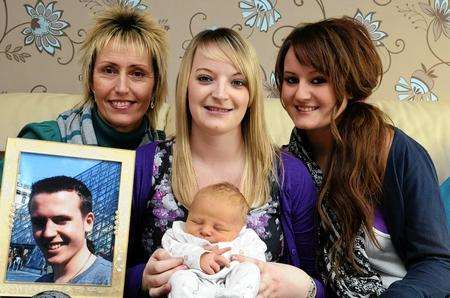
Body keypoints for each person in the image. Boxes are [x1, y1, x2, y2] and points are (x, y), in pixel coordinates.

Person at [126, 27, 322, 298]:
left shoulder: (290, 175)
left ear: (251, 94)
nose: (220, 93)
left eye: (237, 82)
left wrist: (307, 288)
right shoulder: (145, 164)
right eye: (205, 78)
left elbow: (319, 281)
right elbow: (100, 270)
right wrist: (141, 278)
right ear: (186, 86)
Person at [275, 17, 450, 297]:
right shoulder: (285, 166)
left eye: (318, 80)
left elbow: (437, 264)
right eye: (291, 80)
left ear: (348, 84)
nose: (300, 93)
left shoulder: (397, 153)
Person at [0, 4, 168, 182]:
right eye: (109, 70)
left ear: (155, 85)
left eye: (137, 73)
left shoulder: (167, 155)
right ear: (90, 80)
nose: (122, 88)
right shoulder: (41, 142)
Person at [162, 182, 266, 297]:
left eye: (218, 228)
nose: (205, 230)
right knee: (179, 278)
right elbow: (169, 251)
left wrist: (231, 255)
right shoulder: (179, 233)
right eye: (197, 221)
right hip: (195, 282)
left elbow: (259, 259)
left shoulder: (246, 238)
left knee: (250, 270)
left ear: (239, 229)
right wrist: (199, 256)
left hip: (231, 282)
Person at [28, 176, 112, 285]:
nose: (48, 233)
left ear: (88, 222)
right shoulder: (38, 285)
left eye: (61, 220)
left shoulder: (116, 283)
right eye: (38, 222)